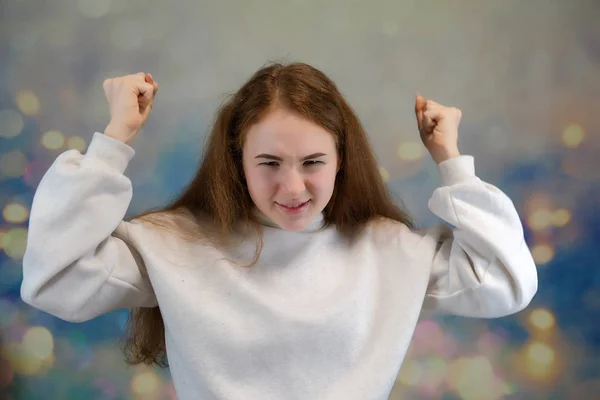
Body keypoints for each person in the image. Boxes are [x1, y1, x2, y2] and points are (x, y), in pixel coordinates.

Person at [20, 62, 538, 399]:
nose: (293, 186)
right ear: (236, 161)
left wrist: (453, 162)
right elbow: (56, 280)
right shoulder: (174, 243)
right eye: (269, 162)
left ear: (342, 160)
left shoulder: (388, 250)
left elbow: (505, 283)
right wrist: (113, 142)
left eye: (313, 161)